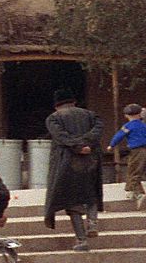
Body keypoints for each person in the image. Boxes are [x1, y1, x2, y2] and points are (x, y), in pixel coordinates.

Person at [43, 89, 104, 251]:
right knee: (91, 192)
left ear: (57, 105)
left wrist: (77, 147)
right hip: (91, 159)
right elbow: (97, 132)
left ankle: (82, 240)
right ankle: (92, 222)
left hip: (67, 163)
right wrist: (86, 144)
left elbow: (61, 137)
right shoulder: (92, 115)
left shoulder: (54, 118)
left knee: (72, 202)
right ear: (74, 102)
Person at [109, 103, 146, 209]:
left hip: (136, 150)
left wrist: (111, 145)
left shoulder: (128, 126)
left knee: (134, 171)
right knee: (135, 170)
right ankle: (130, 190)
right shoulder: (144, 125)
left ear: (126, 115)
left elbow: (119, 136)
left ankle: (138, 192)